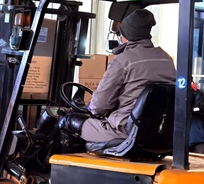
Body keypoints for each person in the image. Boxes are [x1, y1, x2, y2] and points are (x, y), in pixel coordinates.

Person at [61, 9, 176, 148]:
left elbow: (99, 106)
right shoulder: (166, 59)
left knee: (67, 121)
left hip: (123, 131)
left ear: (126, 35)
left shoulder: (123, 60)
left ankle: (56, 161)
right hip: (157, 132)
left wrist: (89, 108)